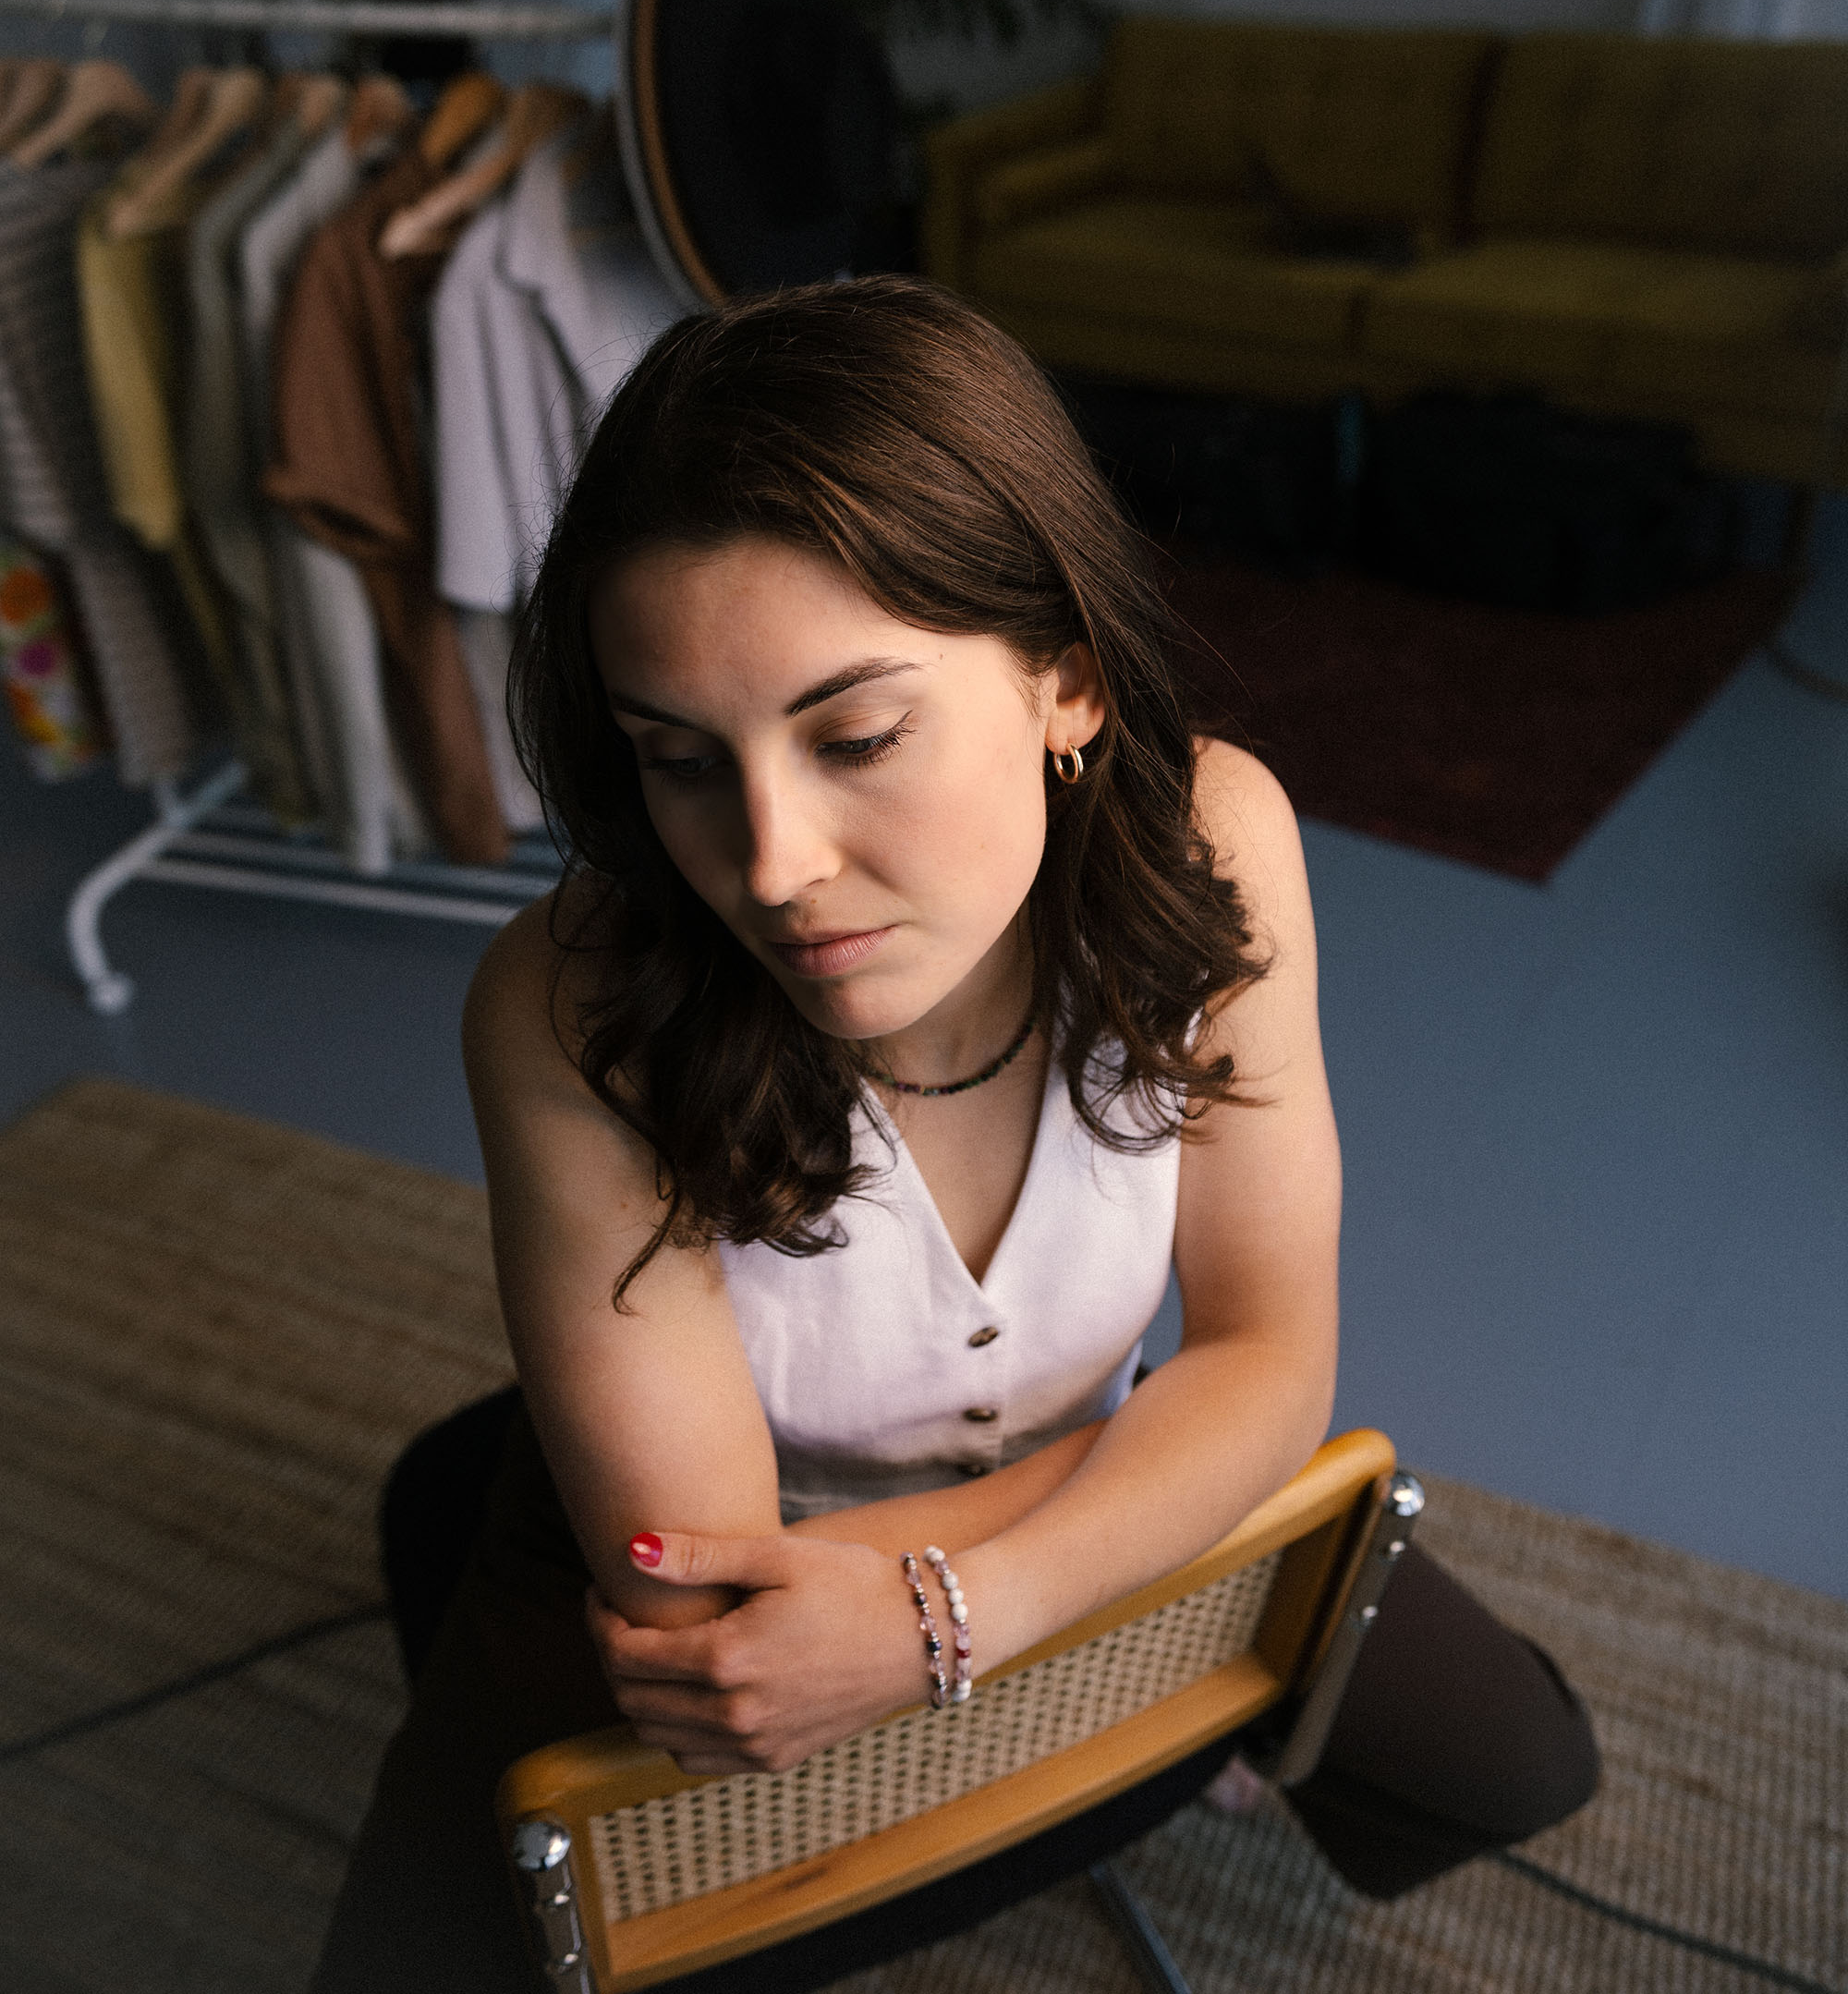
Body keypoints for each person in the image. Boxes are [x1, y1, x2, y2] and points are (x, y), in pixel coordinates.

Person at [313, 278, 1597, 1992]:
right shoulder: (568, 1007)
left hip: (1003, 1526)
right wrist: (1177, 1472)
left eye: (856, 736)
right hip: (711, 1574)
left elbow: (1275, 1354)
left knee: (1528, 1766)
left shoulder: (1217, 838)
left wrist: (963, 1616)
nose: (767, 863)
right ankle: (506, 1478)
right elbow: (713, 1624)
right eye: (680, 761)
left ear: (1065, 682)